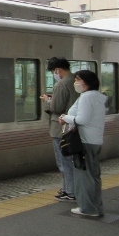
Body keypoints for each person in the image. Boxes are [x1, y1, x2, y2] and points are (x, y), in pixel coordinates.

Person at [59, 70, 106, 217]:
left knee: (83, 176)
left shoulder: (86, 97)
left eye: (78, 80)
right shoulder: (98, 96)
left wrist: (65, 118)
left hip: (84, 142)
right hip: (95, 140)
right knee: (94, 176)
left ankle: (87, 208)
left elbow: (81, 120)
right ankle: (96, 207)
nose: (76, 83)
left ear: (87, 82)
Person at [40, 57, 78, 201]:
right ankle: (68, 188)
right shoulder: (76, 80)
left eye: (53, 71)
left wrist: (47, 100)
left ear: (57, 70)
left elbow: (56, 107)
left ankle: (70, 192)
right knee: (71, 160)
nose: (54, 74)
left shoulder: (61, 84)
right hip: (74, 126)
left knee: (63, 161)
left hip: (60, 127)